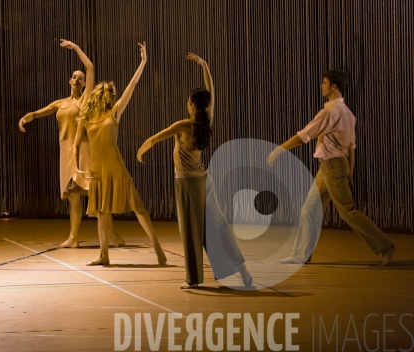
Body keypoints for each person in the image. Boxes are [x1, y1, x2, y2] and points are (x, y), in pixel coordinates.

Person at [137, 53, 252, 288]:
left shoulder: (183, 125)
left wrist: (140, 151)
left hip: (187, 185)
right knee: (217, 228)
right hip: (205, 182)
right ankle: (242, 271)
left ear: (190, 103)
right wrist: (205, 67)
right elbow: (213, 94)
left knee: (190, 231)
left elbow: (154, 138)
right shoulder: (206, 121)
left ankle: (193, 279)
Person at [267, 70, 395, 265]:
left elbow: (304, 136)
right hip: (331, 167)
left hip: (334, 167)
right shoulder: (348, 113)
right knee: (309, 210)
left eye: (325, 83)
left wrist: (277, 151)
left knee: (347, 211)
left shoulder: (331, 112)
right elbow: (351, 148)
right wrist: (349, 173)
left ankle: (384, 247)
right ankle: (301, 255)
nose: (322, 86)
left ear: (334, 87)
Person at [19, 39, 124, 249]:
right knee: (73, 196)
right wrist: (25, 118)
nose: (77, 80)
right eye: (74, 77)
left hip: (83, 147)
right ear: (69, 81)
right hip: (65, 150)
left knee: (95, 192)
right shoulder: (62, 103)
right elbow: (39, 112)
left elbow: (91, 67)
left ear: (85, 84)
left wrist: (75, 48)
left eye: (80, 78)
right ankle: (73, 237)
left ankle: (113, 233)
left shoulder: (85, 99)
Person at [74, 42, 166, 266]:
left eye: (114, 93)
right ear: (101, 94)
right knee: (101, 212)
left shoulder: (114, 113)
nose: (114, 95)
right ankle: (104, 254)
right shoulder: (87, 116)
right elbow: (76, 143)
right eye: (111, 92)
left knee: (137, 207)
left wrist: (143, 62)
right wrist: (77, 166)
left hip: (115, 166)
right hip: (96, 168)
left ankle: (157, 246)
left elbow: (132, 86)